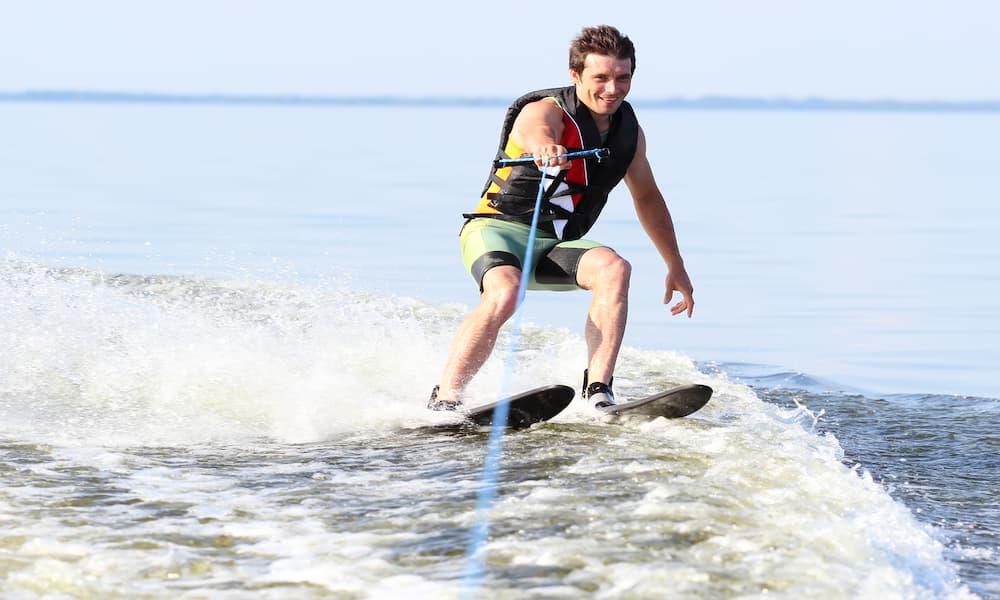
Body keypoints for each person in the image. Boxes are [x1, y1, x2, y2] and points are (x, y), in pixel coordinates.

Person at [429, 24, 694, 410]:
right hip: (496, 231)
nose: (612, 89)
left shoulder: (629, 135)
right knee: (505, 292)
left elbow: (648, 199)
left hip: (554, 246)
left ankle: (599, 392)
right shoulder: (545, 110)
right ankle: (446, 399)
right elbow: (536, 130)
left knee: (614, 268)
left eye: (622, 78)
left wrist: (675, 264)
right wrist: (545, 147)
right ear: (576, 75)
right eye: (600, 78)